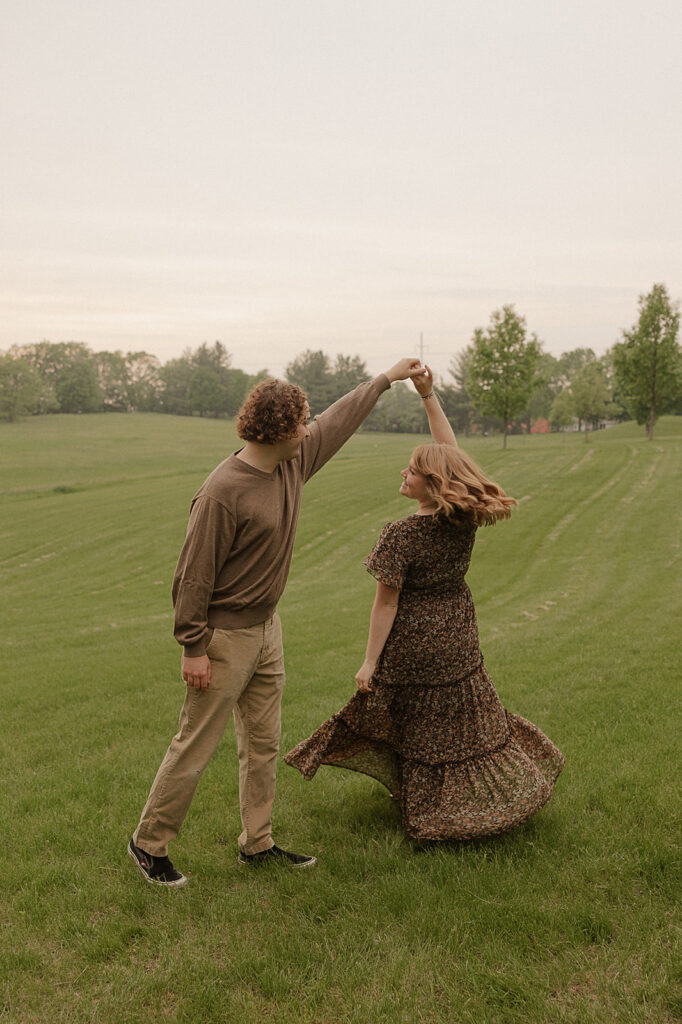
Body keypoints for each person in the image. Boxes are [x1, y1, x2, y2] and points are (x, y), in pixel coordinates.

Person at [128, 357, 424, 886]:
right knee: (195, 744)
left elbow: (337, 420)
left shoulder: (292, 462)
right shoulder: (223, 492)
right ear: (280, 431)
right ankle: (149, 844)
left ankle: (257, 843)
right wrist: (192, 646)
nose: (310, 431)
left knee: (262, 744)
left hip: (268, 630)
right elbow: (192, 577)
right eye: (301, 424)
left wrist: (385, 379)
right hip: (222, 639)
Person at [285, 366, 565, 842]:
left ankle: (433, 813)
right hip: (457, 630)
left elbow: (386, 606)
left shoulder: (401, 535)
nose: (404, 471)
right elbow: (452, 456)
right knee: (462, 718)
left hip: (414, 638)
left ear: (430, 482)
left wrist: (369, 662)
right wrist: (429, 398)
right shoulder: (463, 517)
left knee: (415, 723)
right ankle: (481, 801)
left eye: (412, 469)